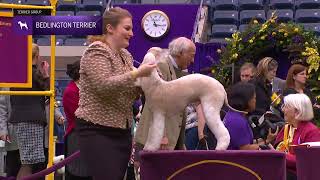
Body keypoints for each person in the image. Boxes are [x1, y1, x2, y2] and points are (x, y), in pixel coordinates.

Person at [74, 7, 156, 180]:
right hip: (96, 129)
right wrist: (138, 74)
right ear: (110, 28)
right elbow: (104, 85)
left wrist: (147, 84)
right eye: (127, 28)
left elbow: (129, 91)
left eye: (132, 29)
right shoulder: (96, 51)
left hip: (122, 131)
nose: (132, 33)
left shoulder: (125, 55)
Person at [134, 37, 196, 158]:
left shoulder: (177, 70)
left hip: (170, 138)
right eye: (191, 55)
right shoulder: (162, 65)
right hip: (157, 139)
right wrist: (162, 137)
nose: (193, 60)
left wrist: (179, 142)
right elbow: (158, 104)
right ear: (180, 53)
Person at [9, 43, 49, 179]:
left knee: (27, 162)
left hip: (21, 119)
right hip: (31, 120)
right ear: (37, 56)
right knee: (28, 163)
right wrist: (46, 74)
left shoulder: (18, 73)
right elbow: (48, 92)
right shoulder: (34, 73)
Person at [223, 82, 278, 150]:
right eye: (254, 98)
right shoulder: (237, 121)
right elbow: (245, 148)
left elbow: (246, 142)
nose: (255, 101)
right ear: (247, 100)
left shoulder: (234, 115)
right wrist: (266, 141)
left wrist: (265, 140)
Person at [274, 94, 320, 173]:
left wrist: (279, 156)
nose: (283, 110)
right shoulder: (286, 128)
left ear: (297, 111)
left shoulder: (312, 132)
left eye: (286, 106)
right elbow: (276, 149)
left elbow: (307, 161)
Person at [63, 60, 91, 180]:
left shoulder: (85, 90)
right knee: (78, 173)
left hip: (87, 135)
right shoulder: (71, 91)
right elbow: (80, 116)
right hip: (77, 135)